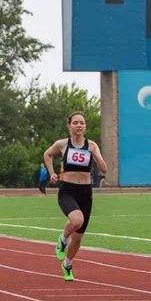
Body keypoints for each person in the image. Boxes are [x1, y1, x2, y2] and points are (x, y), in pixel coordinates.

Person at [42, 111, 108, 282]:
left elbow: (104, 169)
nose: (79, 125)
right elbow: (47, 154)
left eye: (82, 123)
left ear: (85, 126)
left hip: (85, 192)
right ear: (69, 126)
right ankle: (62, 239)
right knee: (76, 220)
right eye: (75, 122)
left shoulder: (91, 145)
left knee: (78, 238)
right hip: (67, 190)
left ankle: (67, 264)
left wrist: (96, 154)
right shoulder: (62, 144)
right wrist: (52, 173)